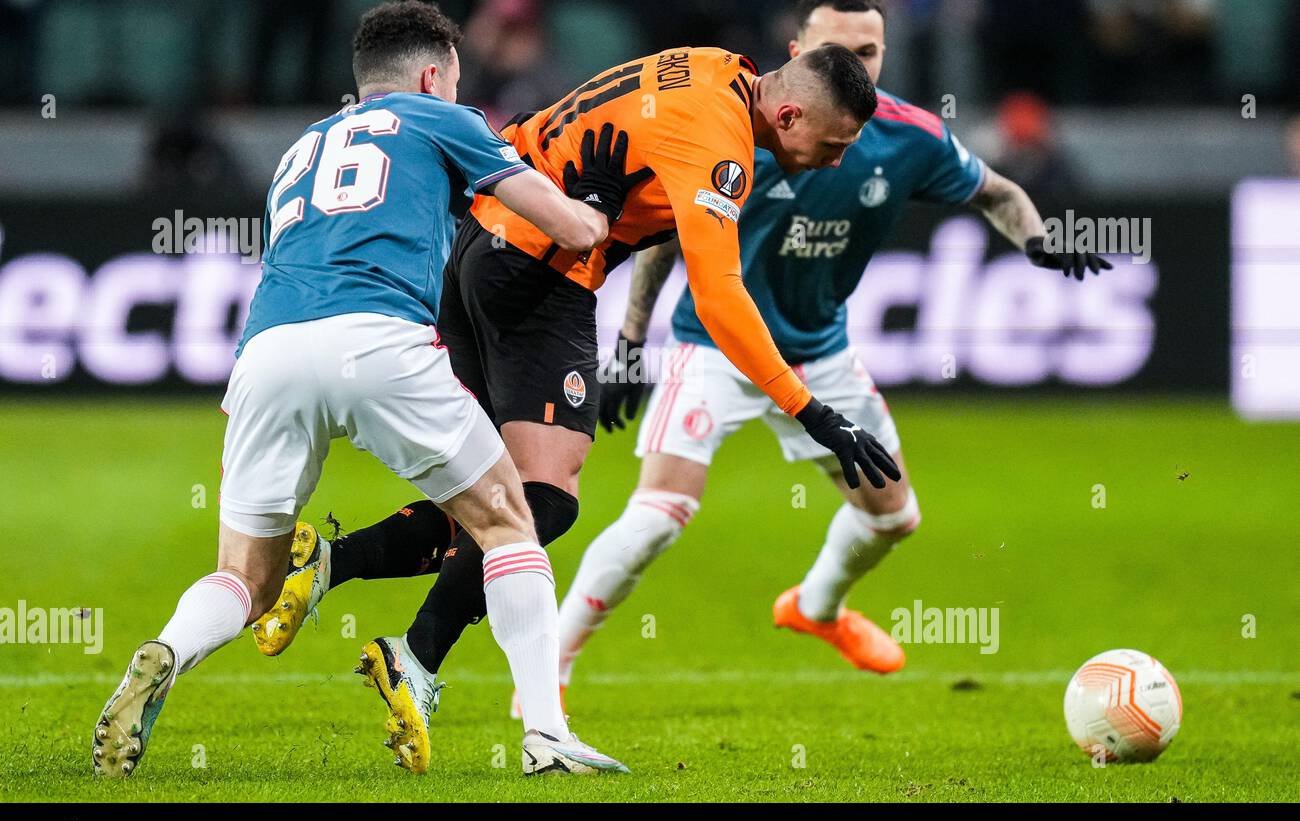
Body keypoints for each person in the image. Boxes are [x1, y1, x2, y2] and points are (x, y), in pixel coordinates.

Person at [251, 38, 902, 769]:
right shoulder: (723, 145)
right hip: (539, 269)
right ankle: (416, 655)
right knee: (541, 502)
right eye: (835, 142)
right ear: (788, 114)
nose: (837, 160)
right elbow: (721, 297)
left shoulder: (717, 68)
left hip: (481, 251)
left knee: (495, 496)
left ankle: (332, 571)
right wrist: (811, 410)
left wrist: (628, 342)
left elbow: (647, 176)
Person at [92, 0, 640, 779]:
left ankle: (166, 652)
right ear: (431, 75)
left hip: (268, 353)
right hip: (378, 340)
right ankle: (547, 738)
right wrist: (601, 201)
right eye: (451, 81)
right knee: (510, 521)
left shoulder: (300, 148)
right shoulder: (441, 119)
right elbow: (573, 230)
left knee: (246, 577)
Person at [552, 0, 1111, 699]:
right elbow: (664, 237)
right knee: (660, 513)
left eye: (870, 50)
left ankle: (816, 609)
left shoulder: (910, 139)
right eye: (837, 50)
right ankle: (551, 665)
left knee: (894, 516)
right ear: (797, 56)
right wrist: (631, 341)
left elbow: (997, 192)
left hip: (821, 355)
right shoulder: (739, 131)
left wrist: (1039, 241)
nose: (857, 62)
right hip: (713, 349)